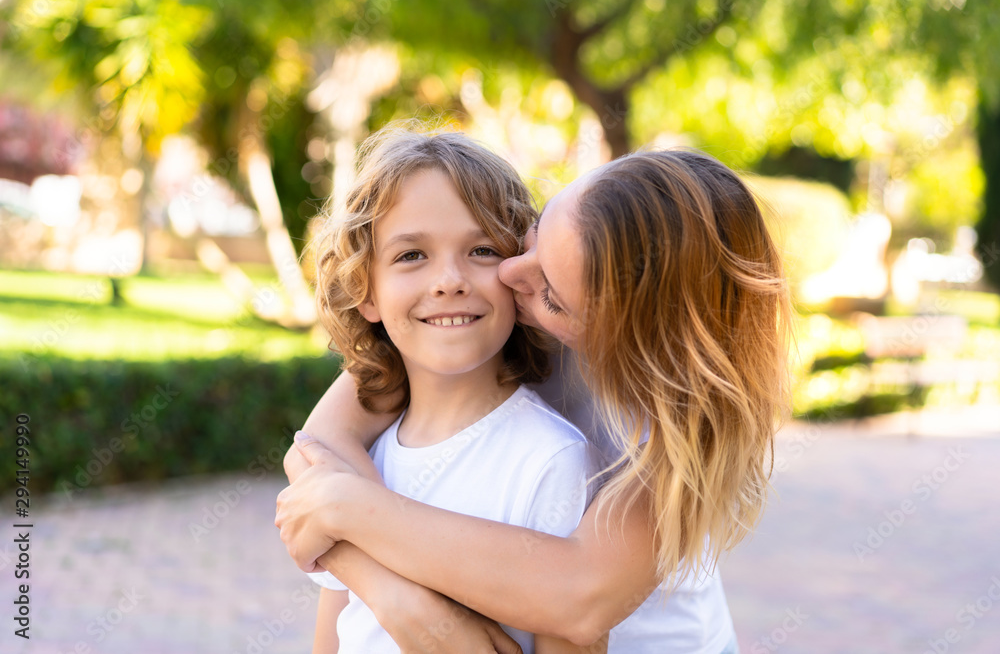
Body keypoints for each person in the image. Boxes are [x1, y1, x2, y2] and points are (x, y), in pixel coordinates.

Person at [277, 146, 791, 653]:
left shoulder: (671, 427)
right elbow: (319, 447)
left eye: (550, 293)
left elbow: (579, 601)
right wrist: (399, 600)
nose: (510, 273)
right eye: (536, 236)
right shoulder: (476, 335)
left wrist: (344, 508)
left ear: (619, 336)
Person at [296, 125, 601, 654]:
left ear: (521, 275)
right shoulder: (358, 456)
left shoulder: (551, 459)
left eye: (481, 250)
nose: (449, 280)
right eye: (411, 255)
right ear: (366, 293)